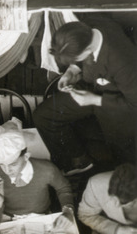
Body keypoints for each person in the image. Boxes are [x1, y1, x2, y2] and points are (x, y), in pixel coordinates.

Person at [34, 20, 137, 175]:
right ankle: (80, 160)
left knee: (122, 159)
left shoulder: (123, 62)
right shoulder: (87, 28)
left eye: (76, 59)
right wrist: (72, 70)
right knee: (44, 116)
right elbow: (81, 57)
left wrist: (94, 100)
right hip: (92, 87)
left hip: (117, 104)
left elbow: (133, 104)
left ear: (87, 50)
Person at [78, 163, 137, 234]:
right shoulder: (96, 184)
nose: (116, 206)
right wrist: (117, 230)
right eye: (113, 198)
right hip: (107, 233)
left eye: (124, 203)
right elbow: (85, 215)